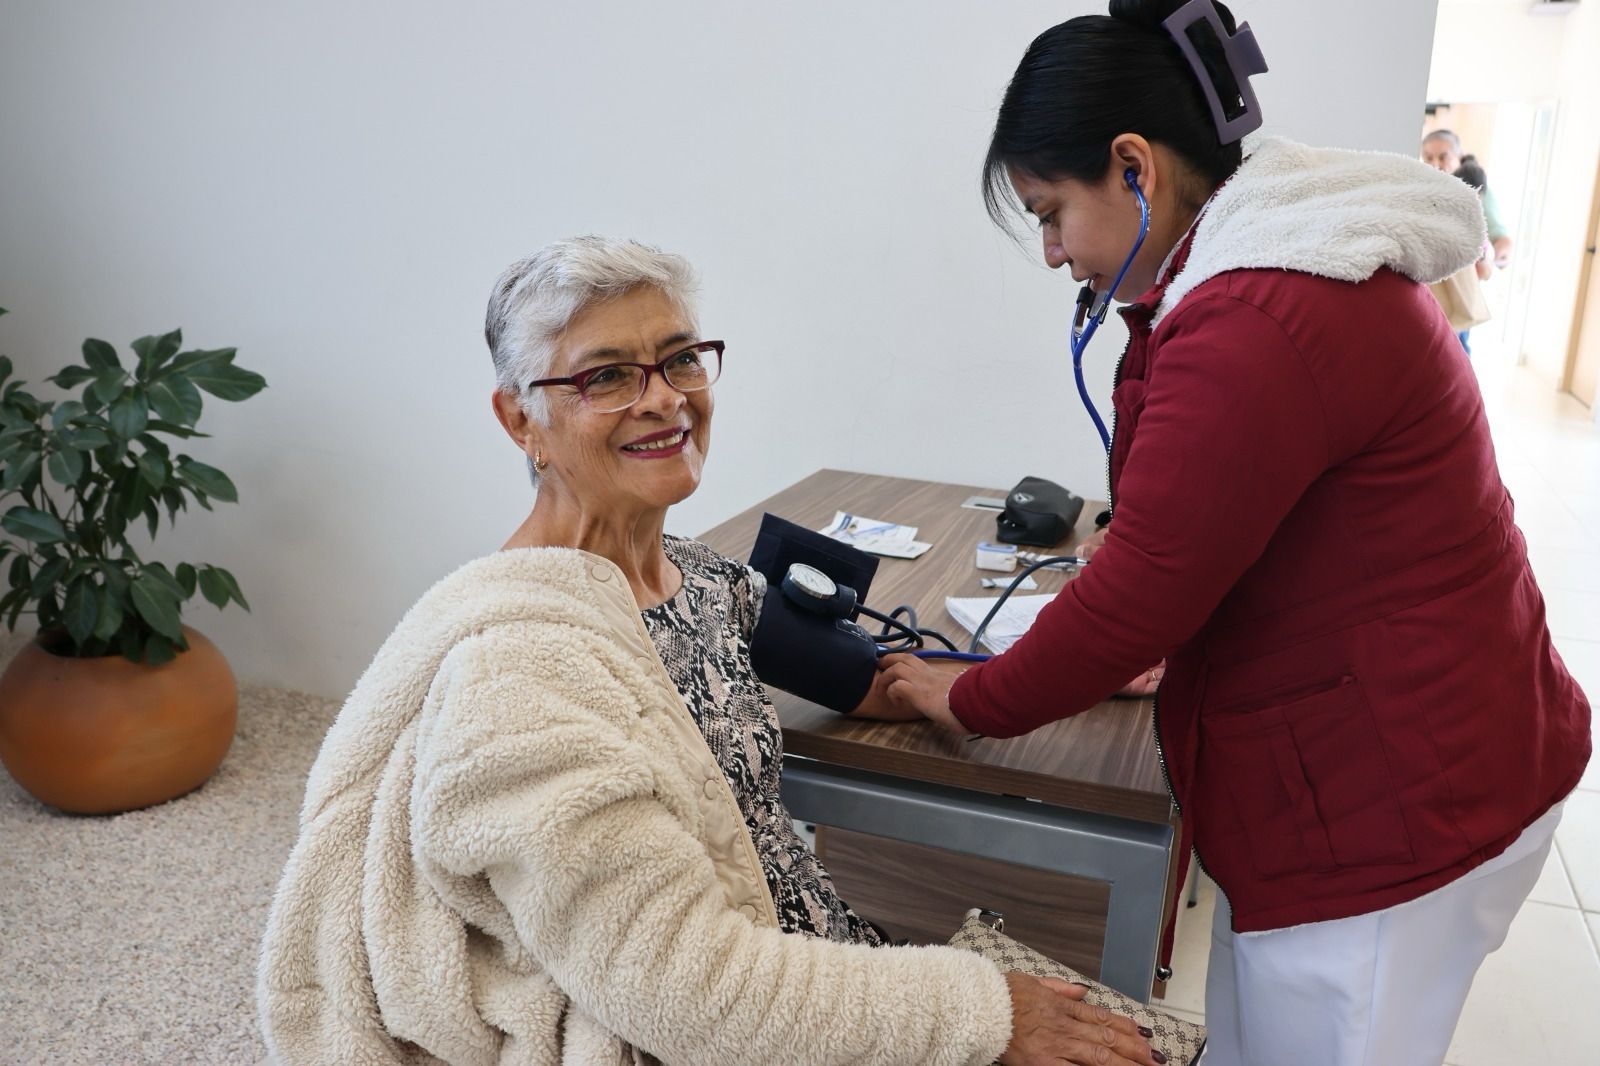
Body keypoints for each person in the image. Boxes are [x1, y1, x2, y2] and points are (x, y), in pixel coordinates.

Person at [878, 3, 1591, 1064]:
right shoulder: (1271, 269)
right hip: (1429, 761)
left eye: (1049, 211)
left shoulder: (1256, 313)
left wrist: (971, 694)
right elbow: (1244, 534)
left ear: (1133, 167)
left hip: (1397, 818)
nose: (1048, 252)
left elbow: (1141, 588)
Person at [257, 236, 1164, 1066]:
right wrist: (984, 1014)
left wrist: (1075, 668)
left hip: (800, 955)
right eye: (606, 376)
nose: (663, 396)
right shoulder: (520, 681)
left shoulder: (698, 582)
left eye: (680, 358)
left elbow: (877, 680)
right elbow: (687, 991)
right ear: (520, 421)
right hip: (707, 1025)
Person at [1427, 157, 1497, 354]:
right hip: (1462, 301)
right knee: (1459, 349)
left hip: (1442, 303)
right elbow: (1483, 270)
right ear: (1480, 194)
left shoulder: (1439, 214)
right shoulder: (1476, 225)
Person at [1422, 128, 1512, 266]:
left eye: (1443, 157)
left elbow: (1503, 240)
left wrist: (1488, 260)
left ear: (1459, 157)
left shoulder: (1476, 190)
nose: (1434, 164)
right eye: (1428, 158)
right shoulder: (1420, 191)